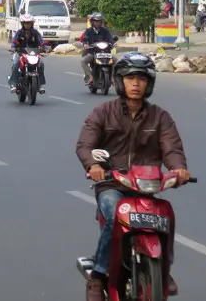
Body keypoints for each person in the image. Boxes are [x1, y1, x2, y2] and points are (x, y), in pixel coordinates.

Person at [75, 53, 190, 301]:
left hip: (146, 186)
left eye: (141, 78)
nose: (136, 84)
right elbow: (85, 144)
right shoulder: (103, 112)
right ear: (119, 81)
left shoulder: (160, 117)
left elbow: (172, 148)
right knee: (115, 212)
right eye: (130, 78)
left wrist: (178, 169)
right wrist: (94, 164)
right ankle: (98, 276)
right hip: (111, 184)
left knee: (166, 216)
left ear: (149, 83)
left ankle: (164, 270)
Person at [9, 14, 46, 93]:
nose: (27, 25)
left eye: (29, 23)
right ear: (22, 24)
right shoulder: (19, 33)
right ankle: (13, 84)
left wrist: (45, 48)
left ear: (32, 24)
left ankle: (41, 85)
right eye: (26, 23)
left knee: (40, 64)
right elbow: (13, 43)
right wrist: (13, 47)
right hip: (20, 54)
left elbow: (42, 42)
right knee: (16, 64)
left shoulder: (36, 33)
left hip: (33, 54)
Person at [80, 13, 115, 85]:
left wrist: (113, 43)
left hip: (105, 53)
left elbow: (110, 38)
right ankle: (90, 76)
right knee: (83, 61)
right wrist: (86, 44)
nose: (98, 23)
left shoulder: (105, 30)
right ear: (92, 22)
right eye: (96, 21)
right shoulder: (88, 31)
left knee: (117, 61)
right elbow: (84, 39)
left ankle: (112, 77)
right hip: (93, 53)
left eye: (99, 21)